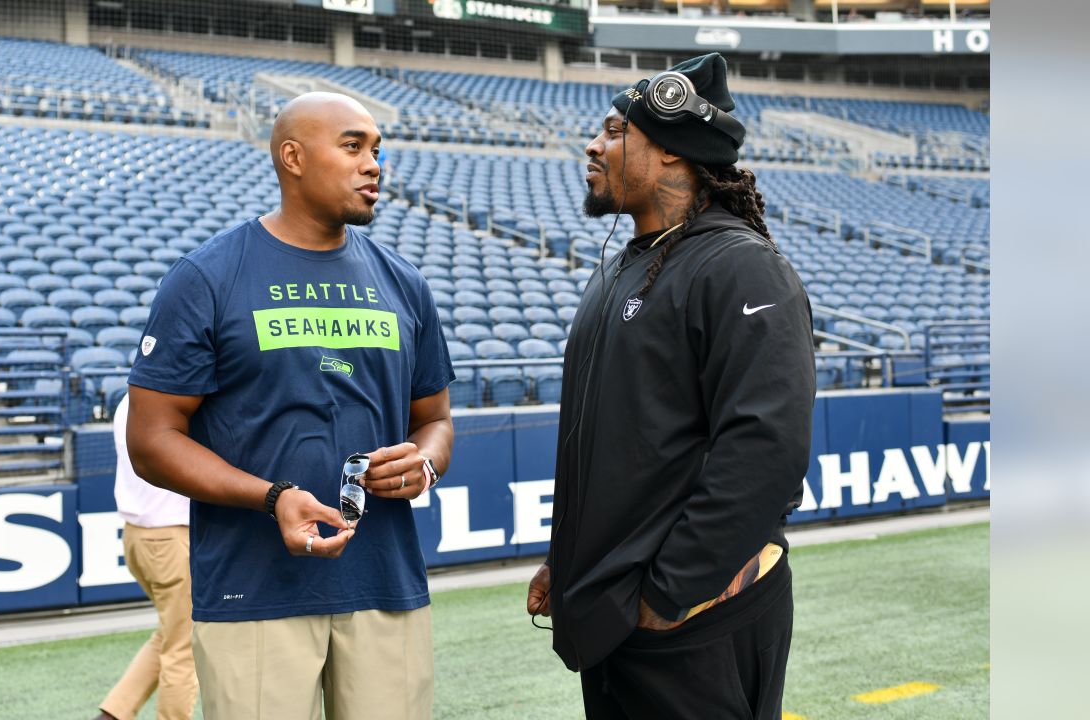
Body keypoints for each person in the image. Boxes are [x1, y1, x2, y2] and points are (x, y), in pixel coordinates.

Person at [125, 91, 455, 720]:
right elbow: (152, 440)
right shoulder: (207, 277)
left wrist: (425, 464)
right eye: (353, 146)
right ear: (293, 157)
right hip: (255, 589)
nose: (374, 165)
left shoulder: (403, 281)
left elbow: (434, 420)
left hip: (385, 581)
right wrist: (272, 497)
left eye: (378, 150)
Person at [526, 53, 815, 720]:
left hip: (689, 623)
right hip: (614, 615)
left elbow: (765, 451)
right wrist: (571, 563)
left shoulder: (741, 267)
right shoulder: (622, 268)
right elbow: (616, 450)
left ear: (672, 154)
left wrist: (668, 595)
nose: (593, 146)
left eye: (613, 131)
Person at [95, 393, 197, 720]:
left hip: (139, 536)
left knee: (170, 635)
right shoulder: (177, 399)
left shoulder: (130, 397)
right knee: (184, 650)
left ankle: (113, 714)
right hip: (171, 536)